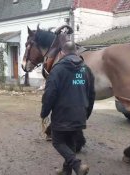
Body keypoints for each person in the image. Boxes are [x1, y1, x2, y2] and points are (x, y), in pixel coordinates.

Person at [40, 41, 95, 175]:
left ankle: (77, 166)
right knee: (70, 142)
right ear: (76, 52)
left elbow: (49, 94)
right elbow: (91, 94)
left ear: (61, 53)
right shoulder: (86, 69)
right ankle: (66, 171)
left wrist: (44, 113)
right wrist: (86, 113)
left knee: (57, 141)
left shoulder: (57, 70)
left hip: (62, 115)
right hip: (80, 114)